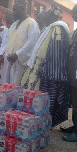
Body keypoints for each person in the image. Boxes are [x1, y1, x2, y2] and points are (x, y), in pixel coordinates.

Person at [21, 6, 70, 127]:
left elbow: (56, 55)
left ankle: (45, 126)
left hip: (52, 74)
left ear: (53, 15)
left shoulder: (58, 29)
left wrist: (49, 73)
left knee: (49, 102)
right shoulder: (49, 29)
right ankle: (39, 125)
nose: (45, 16)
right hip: (44, 72)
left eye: (47, 13)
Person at [0, 0, 40, 85]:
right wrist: (2, 54)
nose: (13, 12)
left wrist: (17, 55)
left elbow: (31, 44)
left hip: (21, 63)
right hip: (9, 62)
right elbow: (6, 41)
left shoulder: (32, 23)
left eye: (15, 10)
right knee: (7, 89)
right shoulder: (14, 25)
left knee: (17, 90)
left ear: (22, 10)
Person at [62, 4, 77, 142]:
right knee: (74, 100)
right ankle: (74, 126)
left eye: (75, 12)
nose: (73, 15)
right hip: (73, 73)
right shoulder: (76, 31)